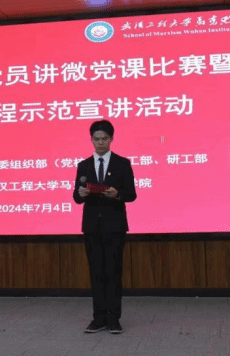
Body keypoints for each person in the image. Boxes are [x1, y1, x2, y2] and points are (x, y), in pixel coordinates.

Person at [73, 120, 137, 334]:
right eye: (96, 139)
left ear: (111, 139)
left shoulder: (122, 164)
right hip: (92, 227)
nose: (100, 142)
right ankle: (98, 318)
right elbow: (76, 197)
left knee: (113, 273)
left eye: (104, 139)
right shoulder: (84, 165)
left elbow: (131, 194)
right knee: (96, 273)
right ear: (91, 140)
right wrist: (81, 194)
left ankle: (114, 318)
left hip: (115, 227)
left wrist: (117, 194)